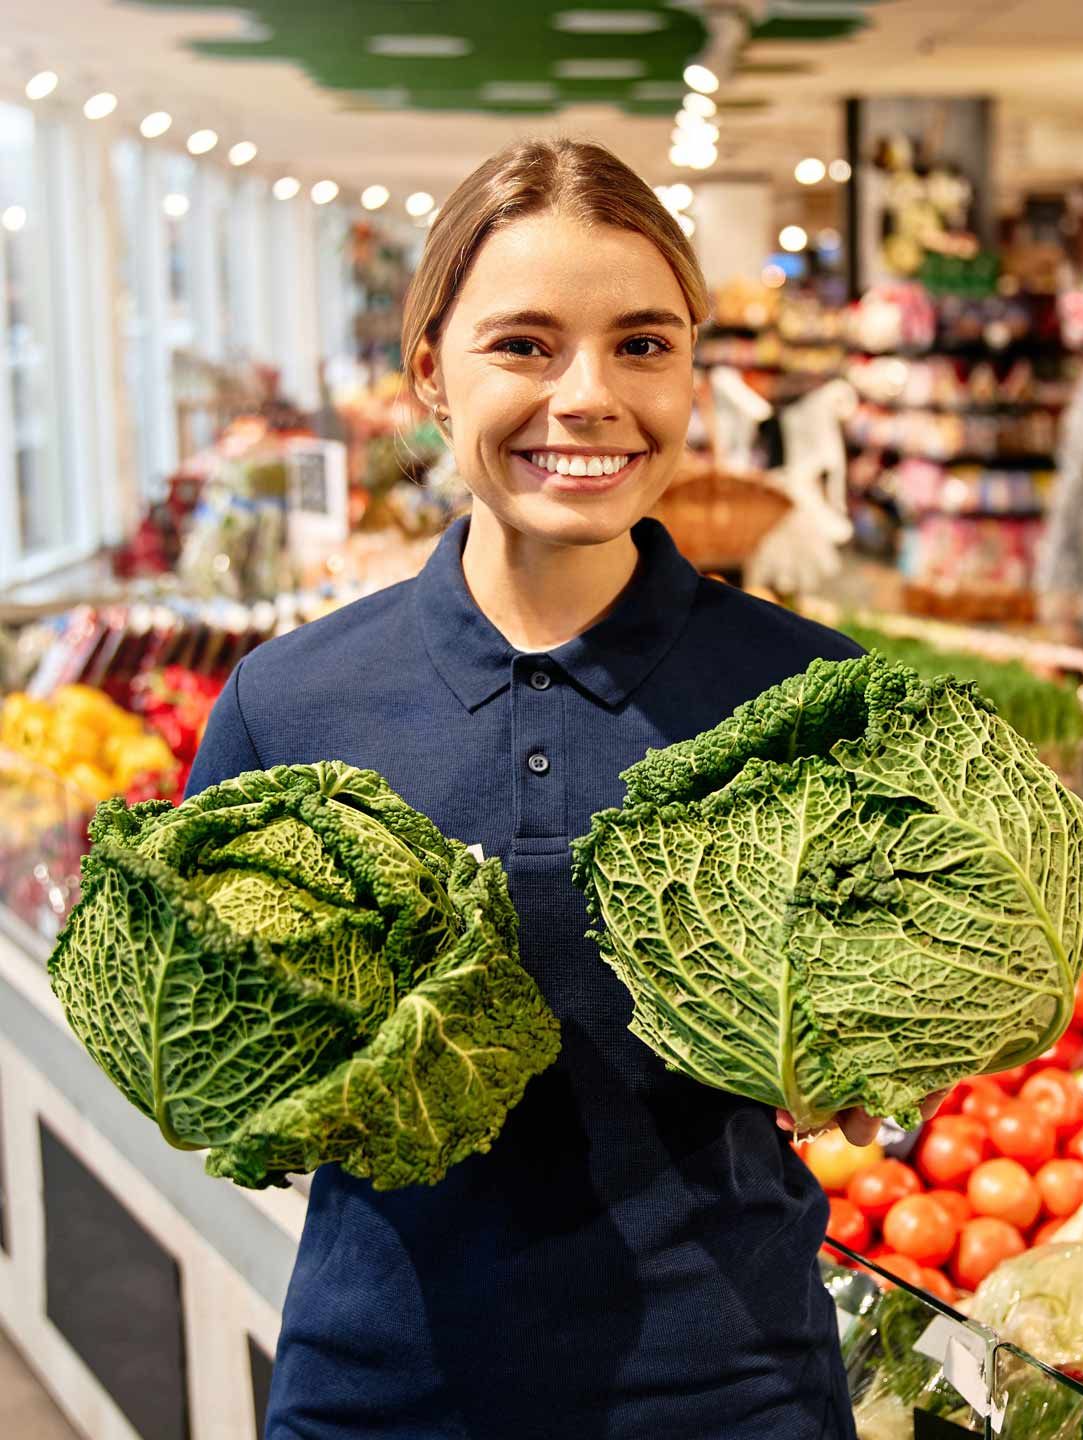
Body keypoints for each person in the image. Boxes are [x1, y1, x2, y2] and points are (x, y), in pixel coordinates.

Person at [185, 138, 917, 1440]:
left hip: (734, 1399)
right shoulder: (288, 707)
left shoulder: (818, 702)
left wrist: (888, 1057)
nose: (589, 398)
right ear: (427, 371)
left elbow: (887, 1061)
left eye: (644, 345)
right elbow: (235, 1083)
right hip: (380, 1399)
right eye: (524, 345)